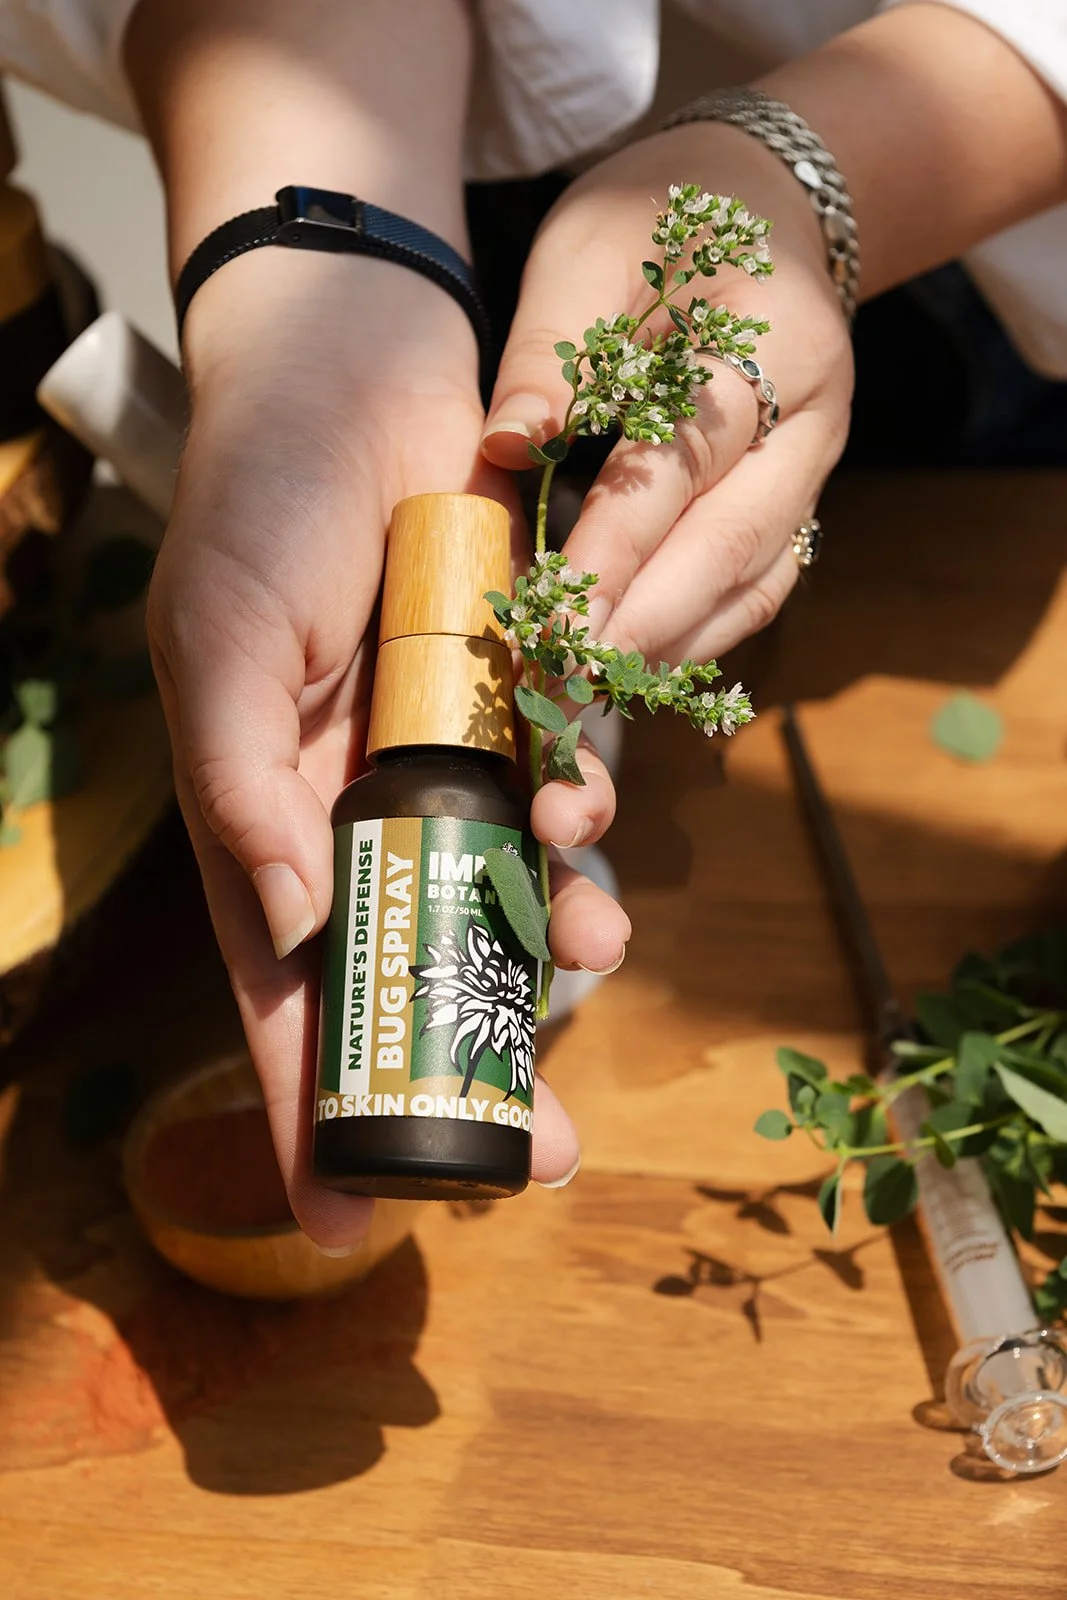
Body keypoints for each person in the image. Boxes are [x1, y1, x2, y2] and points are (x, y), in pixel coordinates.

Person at [1, 0, 1064, 1249]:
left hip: (962, 262)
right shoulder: (394, 783)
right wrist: (319, 329)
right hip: (430, 215)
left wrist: (802, 172)